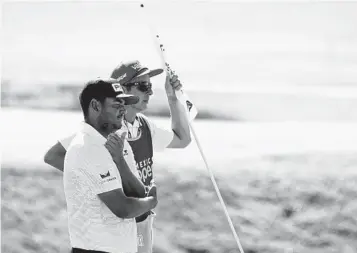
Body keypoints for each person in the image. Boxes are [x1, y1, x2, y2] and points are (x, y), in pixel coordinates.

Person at [44, 61, 192, 252]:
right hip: (120, 217)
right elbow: (53, 155)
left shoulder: (143, 125)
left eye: (150, 86)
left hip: (142, 216)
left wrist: (173, 100)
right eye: (143, 86)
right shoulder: (104, 130)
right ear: (123, 88)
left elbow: (183, 139)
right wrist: (97, 180)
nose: (150, 92)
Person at [63, 78, 158, 253]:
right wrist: (150, 202)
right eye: (116, 104)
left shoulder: (119, 142)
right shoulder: (86, 147)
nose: (123, 109)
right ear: (95, 106)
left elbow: (137, 193)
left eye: (124, 104)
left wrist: (119, 161)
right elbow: (123, 208)